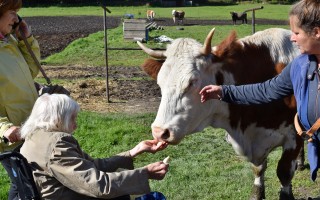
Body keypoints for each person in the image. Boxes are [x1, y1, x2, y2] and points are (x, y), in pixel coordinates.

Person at [199, 0, 320, 182]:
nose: (292, 38)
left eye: (297, 32)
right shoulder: (301, 66)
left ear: (317, 33)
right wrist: (224, 92)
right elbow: (267, 90)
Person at [20, 94, 169, 200]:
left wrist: (134, 151)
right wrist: (145, 173)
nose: (76, 125)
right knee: (121, 195)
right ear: (58, 119)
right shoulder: (56, 145)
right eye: (72, 118)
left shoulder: (33, 137)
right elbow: (99, 186)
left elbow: (92, 166)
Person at [0, 0, 40, 199]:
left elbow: (32, 71)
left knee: (26, 184)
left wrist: (27, 39)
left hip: (29, 126)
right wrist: (4, 128)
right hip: (13, 134)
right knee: (26, 185)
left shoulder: (9, 42)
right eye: (12, 12)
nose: (16, 18)